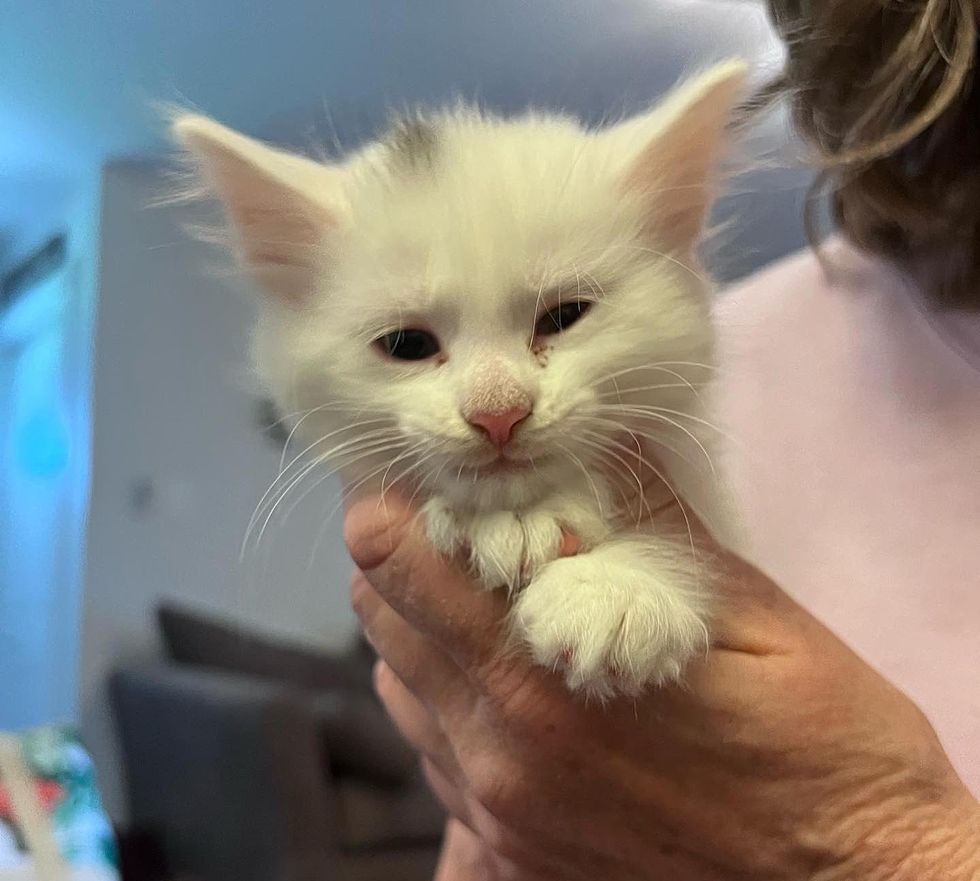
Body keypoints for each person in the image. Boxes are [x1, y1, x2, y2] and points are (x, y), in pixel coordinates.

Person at [344, 0, 980, 878]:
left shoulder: (668, 365)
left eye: (560, 317)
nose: (496, 402)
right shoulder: (732, 348)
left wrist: (885, 847)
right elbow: (499, 820)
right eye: (412, 344)